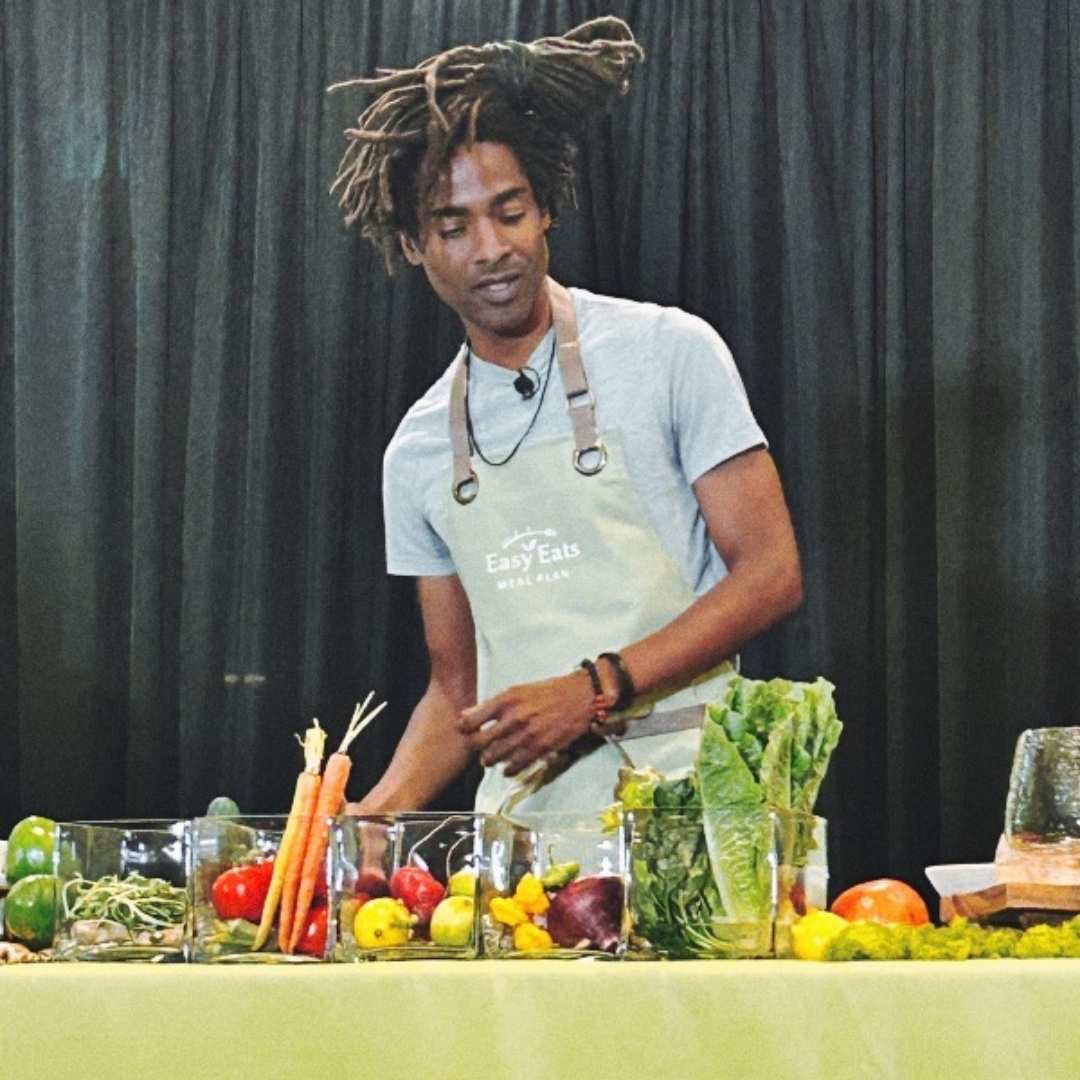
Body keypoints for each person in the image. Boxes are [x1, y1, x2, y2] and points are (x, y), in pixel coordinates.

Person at [331, 17, 802, 815]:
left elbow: (769, 574)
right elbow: (458, 687)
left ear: (545, 208)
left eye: (509, 211)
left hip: (696, 809)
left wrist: (594, 688)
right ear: (413, 245)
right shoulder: (414, 453)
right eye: (453, 227)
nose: (490, 248)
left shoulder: (667, 350)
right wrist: (373, 816)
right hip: (526, 842)